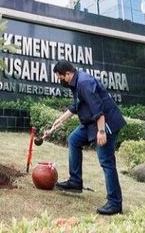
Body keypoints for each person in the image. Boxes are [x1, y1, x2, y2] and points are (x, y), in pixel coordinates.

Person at [43, 60, 125, 215]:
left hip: (104, 123)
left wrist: (101, 132)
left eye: (60, 78)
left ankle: (115, 203)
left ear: (67, 74)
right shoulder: (76, 82)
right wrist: (60, 120)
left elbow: (98, 109)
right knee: (74, 140)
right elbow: (77, 106)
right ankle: (75, 181)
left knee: (106, 162)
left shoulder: (84, 82)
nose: (60, 81)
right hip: (90, 124)